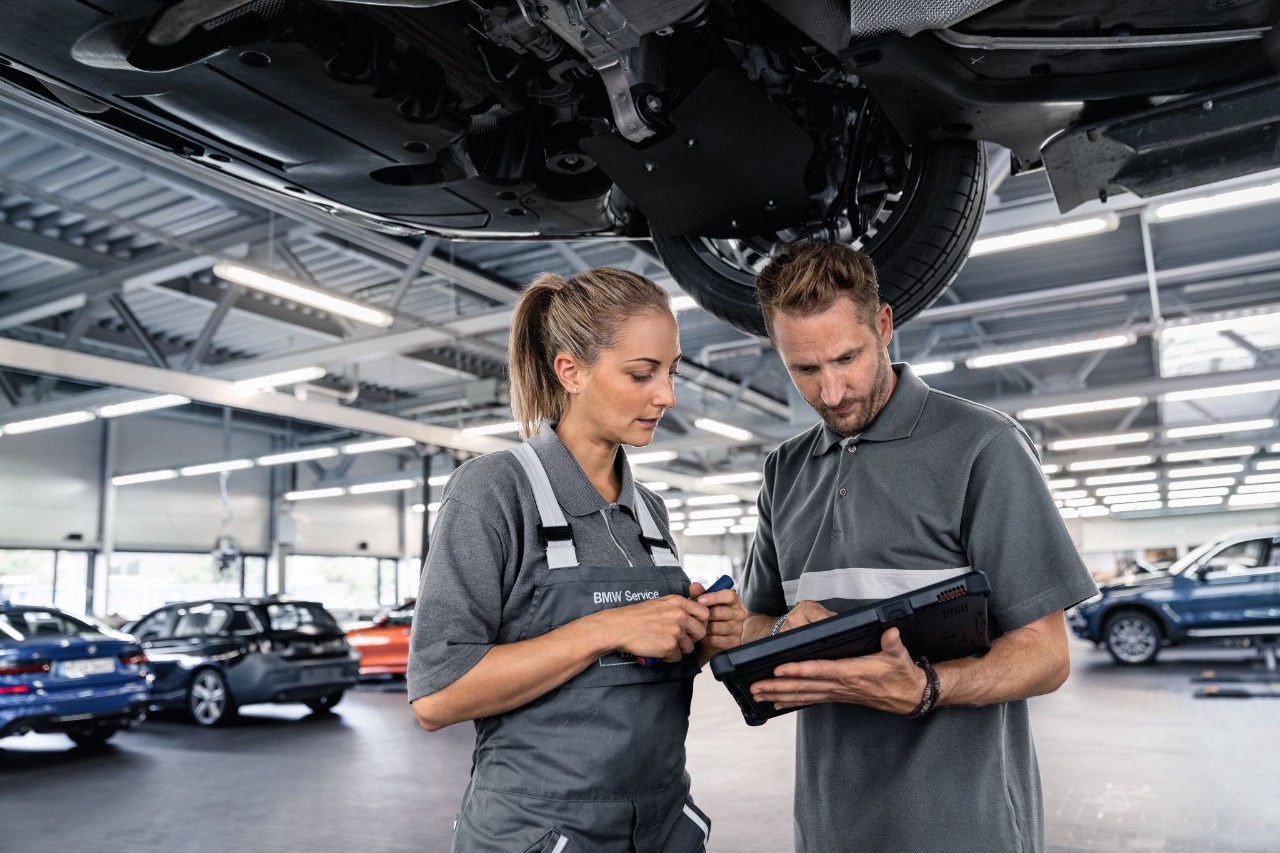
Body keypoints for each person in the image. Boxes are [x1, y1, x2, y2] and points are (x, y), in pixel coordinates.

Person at [738, 241, 1099, 853]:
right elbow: (752, 625)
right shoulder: (785, 471)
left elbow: (1047, 655)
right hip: (830, 829)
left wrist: (927, 686)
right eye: (804, 369)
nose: (831, 392)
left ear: (883, 326)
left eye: (847, 358)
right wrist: (778, 637)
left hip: (964, 829)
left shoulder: (984, 447)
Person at [407, 267, 746, 853]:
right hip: (540, 830)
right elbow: (438, 696)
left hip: (658, 825)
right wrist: (607, 628)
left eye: (671, 372)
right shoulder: (492, 491)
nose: (666, 395)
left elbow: (629, 680)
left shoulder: (650, 511)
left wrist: (699, 638)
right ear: (571, 371)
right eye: (642, 374)